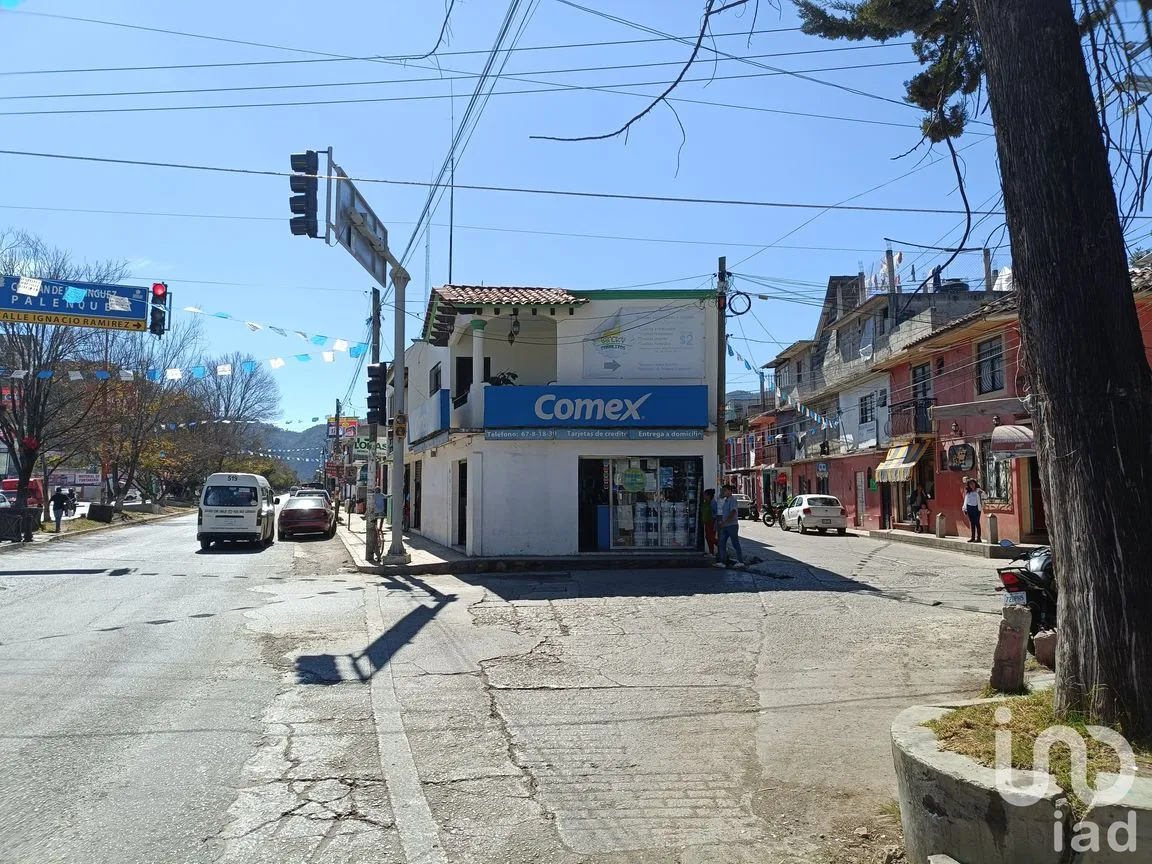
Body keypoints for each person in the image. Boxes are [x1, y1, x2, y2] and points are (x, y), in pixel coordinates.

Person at [714, 484, 746, 569]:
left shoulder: (732, 500)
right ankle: (723, 562)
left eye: (724, 490)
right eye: (723, 490)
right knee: (721, 543)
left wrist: (726, 522)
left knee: (735, 543)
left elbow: (733, 512)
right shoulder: (726, 500)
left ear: (729, 491)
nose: (723, 492)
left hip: (732, 525)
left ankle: (740, 561)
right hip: (725, 525)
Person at [963, 478, 984, 543]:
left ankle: (978, 538)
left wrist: (982, 493)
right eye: (970, 484)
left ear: (975, 484)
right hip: (969, 508)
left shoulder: (978, 490)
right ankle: (972, 537)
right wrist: (964, 508)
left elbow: (985, 497)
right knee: (972, 523)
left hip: (976, 508)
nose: (971, 485)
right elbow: (965, 501)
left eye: (972, 484)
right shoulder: (968, 492)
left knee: (977, 522)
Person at [700, 489, 718, 554]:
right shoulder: (706, 502)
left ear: (708, 496)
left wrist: (713, 519)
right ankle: (711, 552)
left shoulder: (713, 503)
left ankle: (721, 546)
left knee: (711, 538)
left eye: (705, 495)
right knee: (707, 538)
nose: (704, 496)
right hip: (707, 522)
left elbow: (716, 513)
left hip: (712, 522)